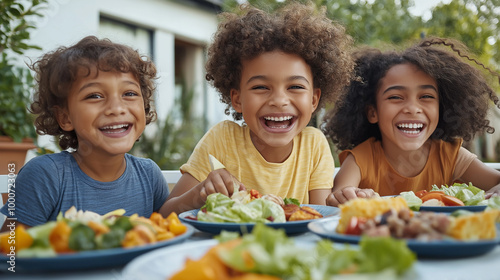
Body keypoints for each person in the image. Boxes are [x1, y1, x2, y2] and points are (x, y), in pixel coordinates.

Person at [162, 2, 354, 214]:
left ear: (314, 99)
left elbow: (321, 216)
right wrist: (199, 193)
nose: (279, 100)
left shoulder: (313, 146)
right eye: (261, 87)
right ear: (237, 99)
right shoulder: (221, 140)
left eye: (295, 86)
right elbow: (164, 214)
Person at [0, 36, 170, 231]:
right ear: (65, 117)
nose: (116, 108)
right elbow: (9, 254)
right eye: (94, 96)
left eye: (129, 93)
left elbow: (164, 237)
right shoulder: (44, 176)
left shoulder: (149, 175)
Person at [322, 37, 500, 207]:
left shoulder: (451, 156)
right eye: (396, 97)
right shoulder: (359, 160)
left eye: (426, 96)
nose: (413, 108)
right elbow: (339, 196)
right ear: (372, 112)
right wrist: (347, 196)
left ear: (441, 108)